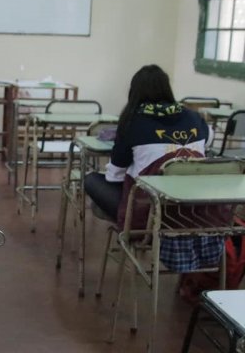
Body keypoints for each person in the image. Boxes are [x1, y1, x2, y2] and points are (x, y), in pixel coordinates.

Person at [84, 64, 224, 273]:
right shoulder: (194, 118)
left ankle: (121, 223)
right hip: (198, 216)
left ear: (134, 92)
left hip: (149, 220)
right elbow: (208, 141)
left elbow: (114, 177)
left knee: (91, 179)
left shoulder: (133, 121)